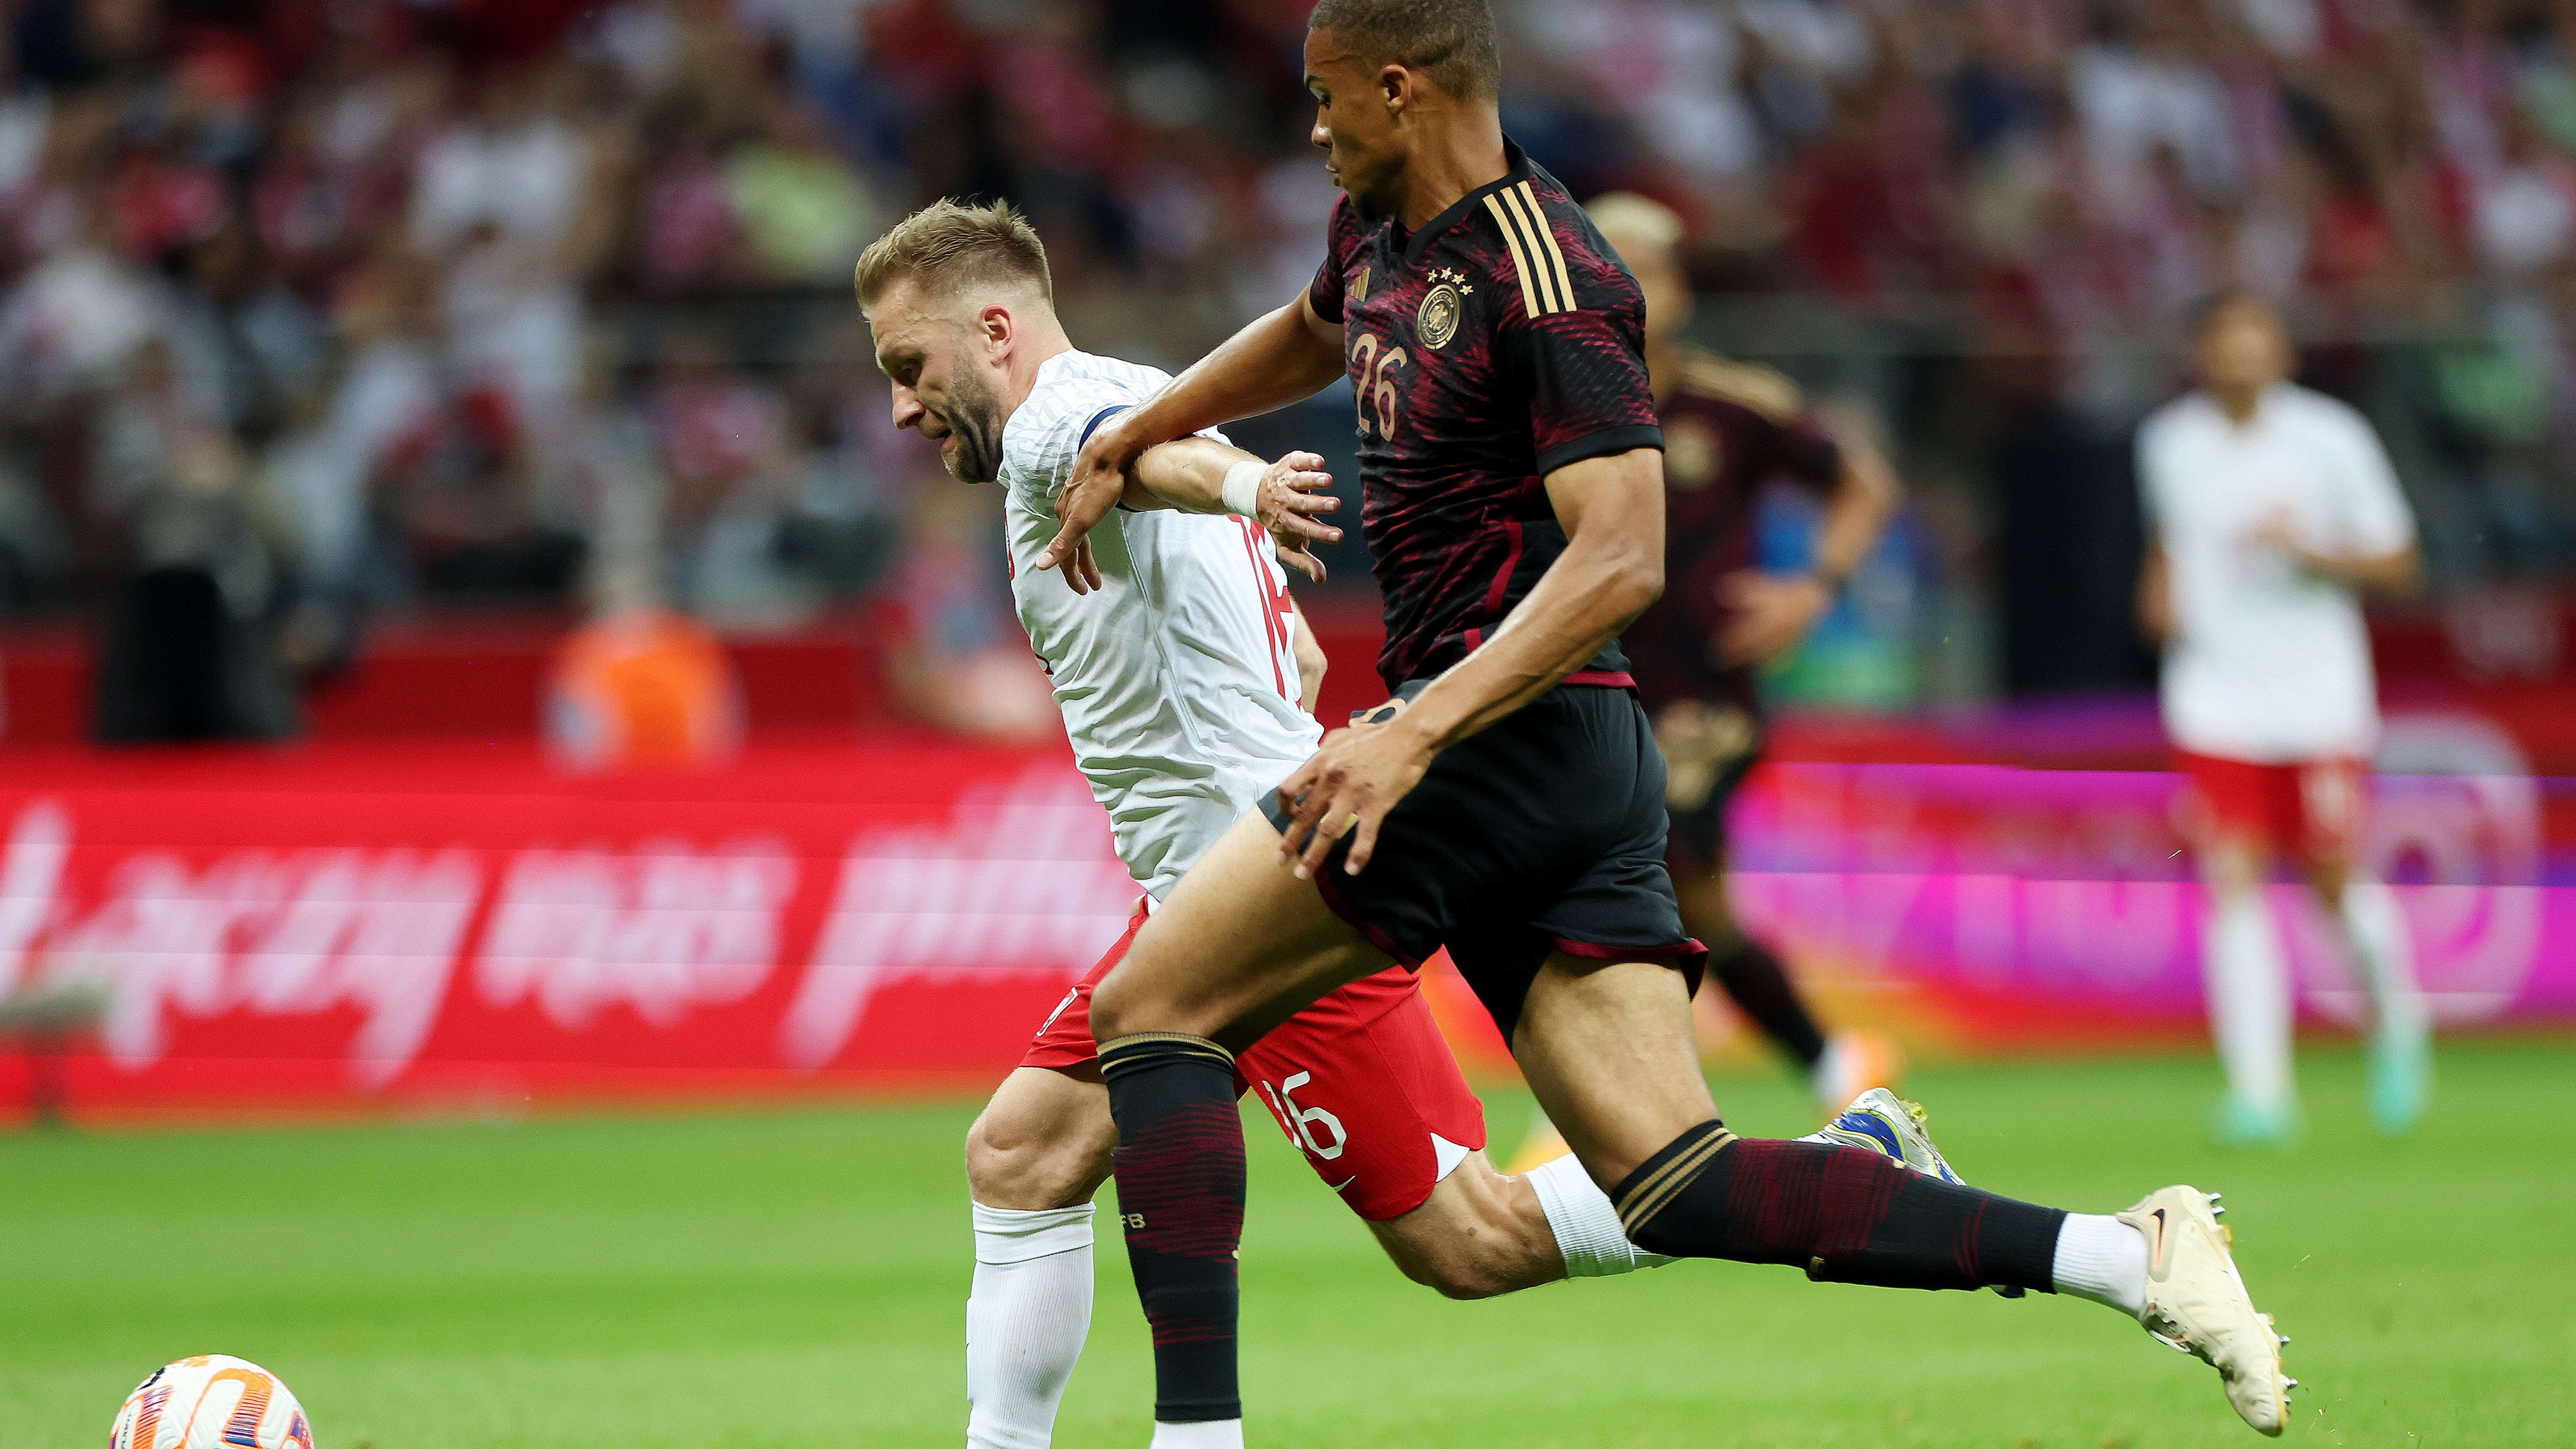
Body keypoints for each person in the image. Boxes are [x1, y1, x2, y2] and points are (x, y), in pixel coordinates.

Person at [1045, 3, 2292, 1442]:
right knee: (1670, 1181)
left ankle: (1193, 1436)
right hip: (1560, 756)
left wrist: (1412, 730)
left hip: (1488, 739)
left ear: (1400, 86)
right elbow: (1302, 335)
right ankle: (2127, 1257)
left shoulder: (1556, 273)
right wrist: (1136, 433)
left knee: (1153, 1010)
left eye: (1328, 101)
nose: (1313, 129)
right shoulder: (1374, 230)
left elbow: (1621, 557)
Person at [849, 199, 1969, 1449]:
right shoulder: (1135, 392)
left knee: (1468, 1238)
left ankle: (1838, 1180)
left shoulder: (1071, 414)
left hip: (1262, 888)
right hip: (1230, 860)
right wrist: (1237, 485)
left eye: (908, 366)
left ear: (994, 328)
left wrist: (1245, 482)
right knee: (1025, 1159)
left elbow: (1142, 456)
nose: (900, 405)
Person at [1589, 189, 1906, 1112]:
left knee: (1648, 868)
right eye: (1614, 268)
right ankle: (1835, 1066)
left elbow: (1862, 483)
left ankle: (1608, 1105)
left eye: (1653, 269)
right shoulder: (1538, 410)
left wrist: (1816, 585)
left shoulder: (1736, 406)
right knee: (1701, 912)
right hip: (1588, 689)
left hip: (1703, 699)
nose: (1636, 289)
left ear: (1682, 290)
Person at [2135, 290, 2432, 1146]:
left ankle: (2398, 1027)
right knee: (2232, 876)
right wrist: (2156, 589)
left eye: (2255, 338)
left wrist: (2314, 551)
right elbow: (2169, 542)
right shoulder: (2168, 441)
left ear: (2282, 353)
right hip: (2214, 696)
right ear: (2202, 352)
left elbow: (2402, 561)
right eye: (2225, 338)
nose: (2241, 354)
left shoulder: (2330, 438)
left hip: (2318, 697)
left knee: (2333, 880)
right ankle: (2261, 1091)